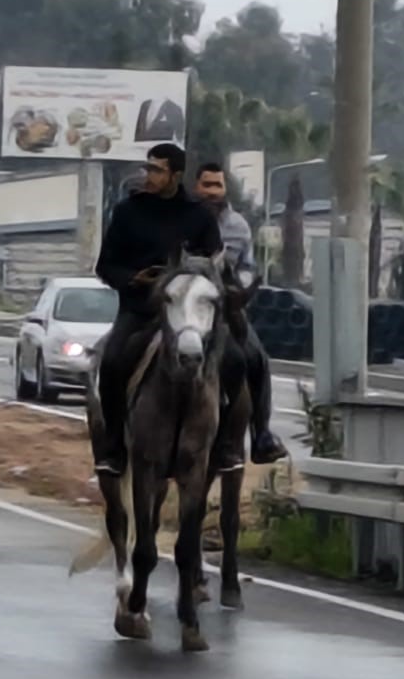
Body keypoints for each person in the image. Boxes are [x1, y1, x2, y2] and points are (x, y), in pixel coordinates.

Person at [90, 142, 223, 477]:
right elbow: (105, 266)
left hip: (190, 316)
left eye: (156, 170)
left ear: (176, 175)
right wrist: (133, 278)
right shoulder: (127, 211)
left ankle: (233, 442)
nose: (148, 175)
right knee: (112, 362)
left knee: (239, 358)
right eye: (147, 168)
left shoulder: (200, 216)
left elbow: (215, 268)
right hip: (139, 311)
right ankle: (114, 448)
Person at [194, 161, 287, 467]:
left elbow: (248, 266)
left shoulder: (239, 226)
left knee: (256, 357)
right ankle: (118, 427)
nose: (211, 192)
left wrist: (242, 288)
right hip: (184, 306)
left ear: (224, 189)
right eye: (206, 185)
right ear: (196, 187)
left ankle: (261, 435)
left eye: (216, 186)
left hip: (224, 307)